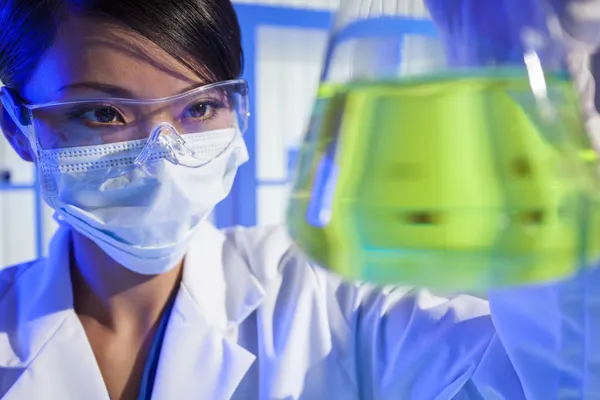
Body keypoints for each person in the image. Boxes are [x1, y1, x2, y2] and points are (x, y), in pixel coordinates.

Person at [0, 0, 598, 399]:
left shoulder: (330, 296)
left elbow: (553, 378)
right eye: (102, 113)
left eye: (199, 106)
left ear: (238, 108)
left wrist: (552, 120)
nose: (164, 151)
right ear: (17, 129)